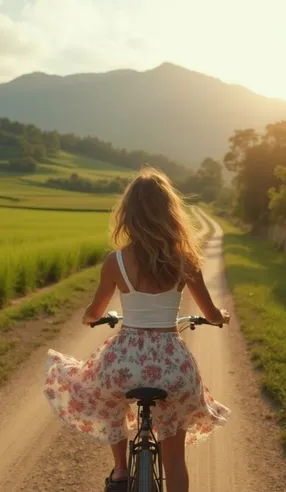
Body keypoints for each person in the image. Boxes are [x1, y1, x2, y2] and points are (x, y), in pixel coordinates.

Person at [44, 168, 230, 492]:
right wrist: (219, 317)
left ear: (128, 214)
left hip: (124, 363)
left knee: (108, 400)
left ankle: (119, 470)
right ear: (170, 212)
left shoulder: (115, 262)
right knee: (175, 462)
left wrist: (90, 318)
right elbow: (211, 313)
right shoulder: (186, 260)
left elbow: (95, 310)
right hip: (173, 366)